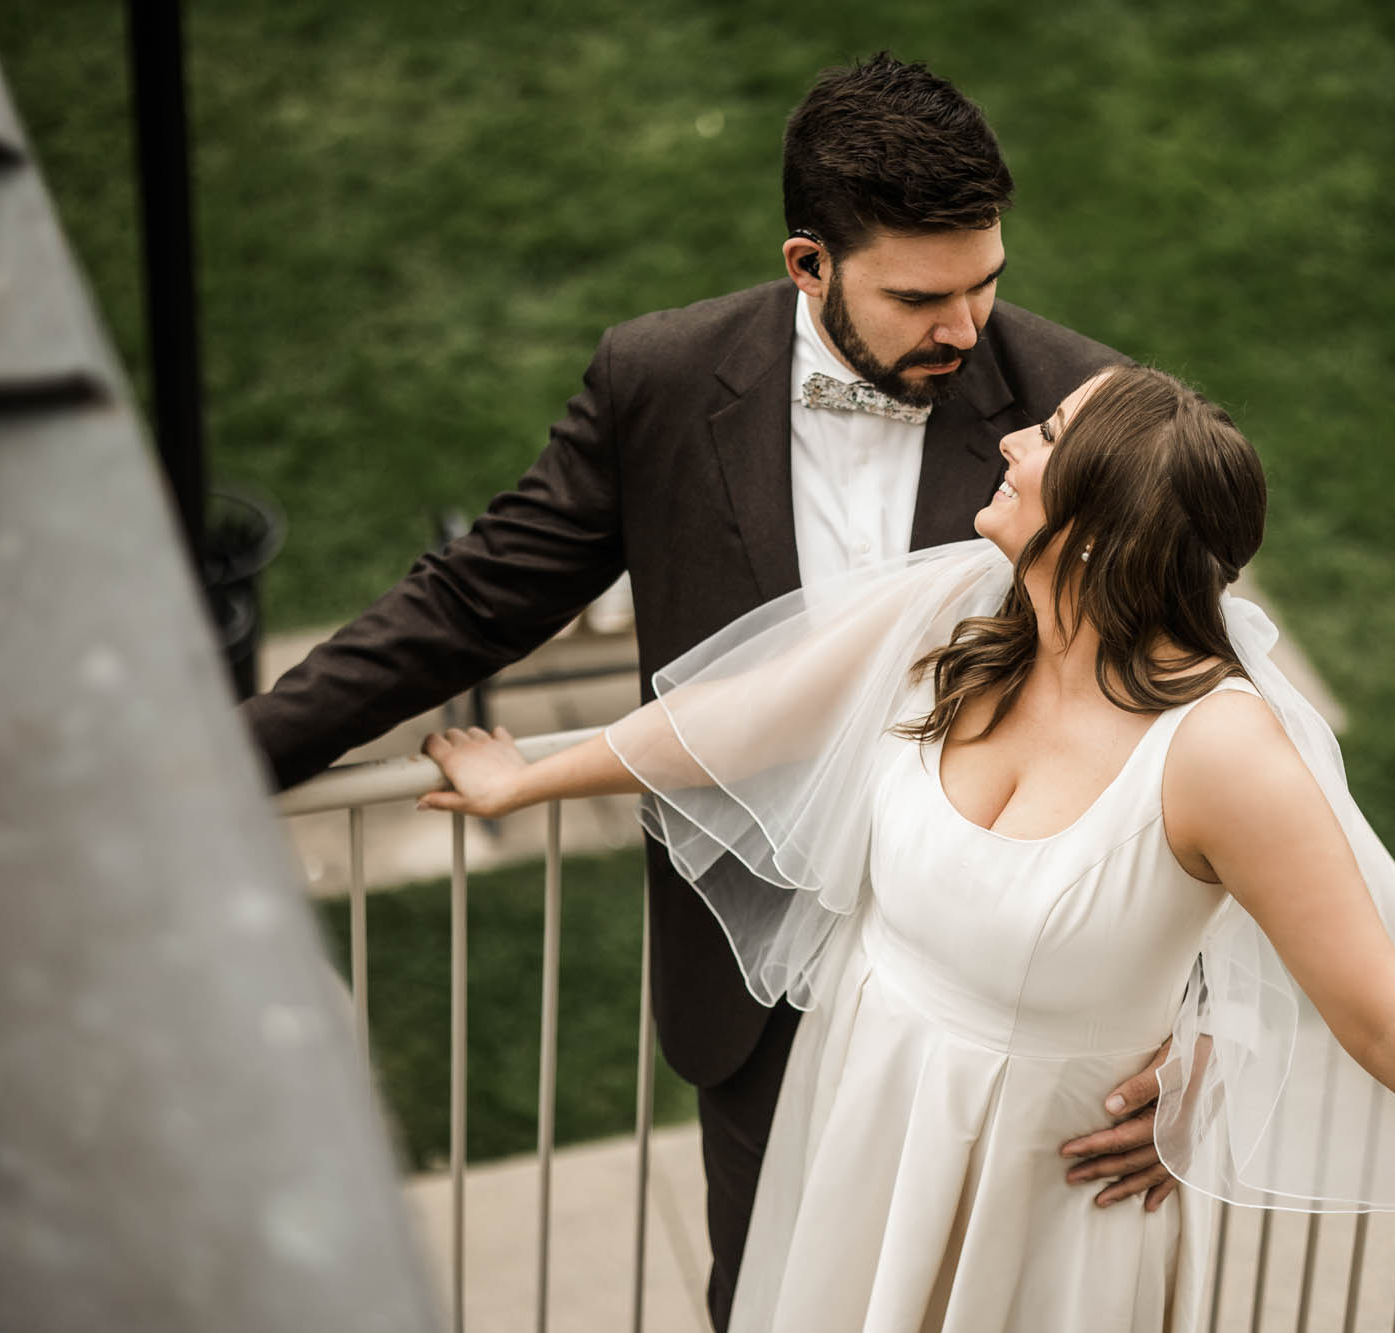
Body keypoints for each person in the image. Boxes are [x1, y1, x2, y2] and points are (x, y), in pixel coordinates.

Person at [418, 365, 1395, 1332]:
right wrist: (529, 771)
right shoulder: (965, 604)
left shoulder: (1221, 755)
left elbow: (1385, 1013)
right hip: (867, 1124)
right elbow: (759, 708)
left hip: (1042, 1219)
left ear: (1094, 531)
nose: (1006, 438)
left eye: (1043, 437)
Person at [239, 53, 1169, 1330]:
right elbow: (471, 600)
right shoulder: (660, 379)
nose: (964, 328)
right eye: (919, 297)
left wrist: (1193, 1035)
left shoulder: (1081, 413)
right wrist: (217, 766)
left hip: (1005, 987)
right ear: (807, 263)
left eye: (985, 284)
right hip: (756, 1000)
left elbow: (1189, 725)